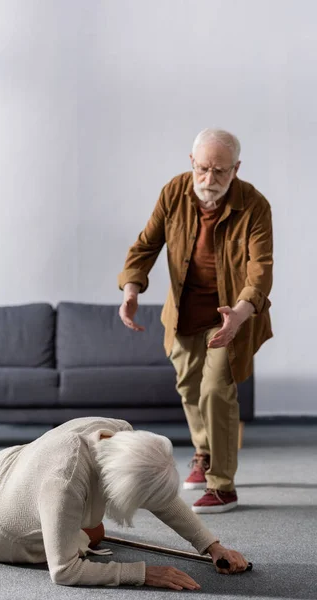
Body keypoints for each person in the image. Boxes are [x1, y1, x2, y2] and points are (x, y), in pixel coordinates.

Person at [118, 128, 273, 514]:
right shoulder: (174, 192)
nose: (209, 180)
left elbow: (260, 270)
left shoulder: (254, 205)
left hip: (230, 318)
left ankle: (223, 485)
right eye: (203, 169)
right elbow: (146, 244)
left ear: (236, 168)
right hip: (184, 314)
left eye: (220, 171)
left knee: (216, 391)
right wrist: (132, 289)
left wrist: (240, 312)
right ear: (192, 163)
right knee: (188, 388)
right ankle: (204, 452)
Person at [0, 416, 249, 590]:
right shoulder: (65, 484)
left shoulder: (119, 433)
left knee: (93, 531)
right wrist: (143, 573)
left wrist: (211, 545)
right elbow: (64, 571)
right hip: (2, 532)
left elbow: (161, 499)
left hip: (10, 465)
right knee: (91, 535)